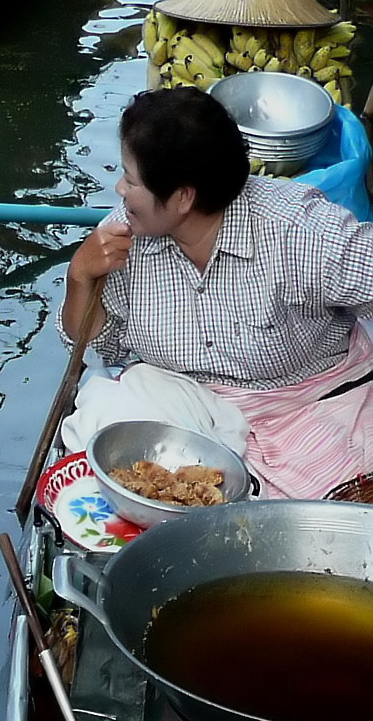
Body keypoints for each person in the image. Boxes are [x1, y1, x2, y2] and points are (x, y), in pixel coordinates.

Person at [62, 85, 373, 499]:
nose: (119, 190)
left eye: (131, 180)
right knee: (101, 426)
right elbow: (103, 346)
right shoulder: (126, 235)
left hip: (313, 403)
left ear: (182, 197)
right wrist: (80, 275)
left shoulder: (300, 233)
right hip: (194, 403)